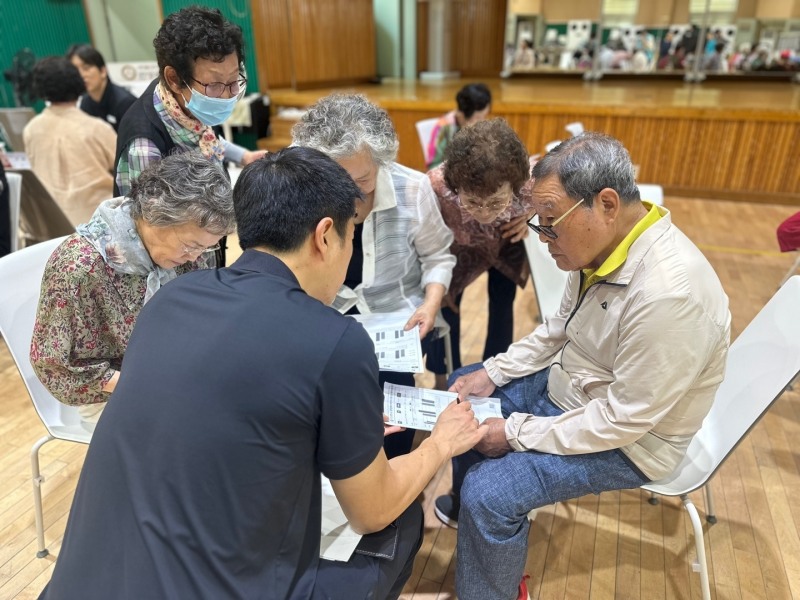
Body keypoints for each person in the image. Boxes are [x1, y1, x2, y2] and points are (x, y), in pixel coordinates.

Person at [37, 147, 485, 600]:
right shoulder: (337, 341)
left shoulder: (169, 300)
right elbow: (372, 511)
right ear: (325, 236)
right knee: (401, 518)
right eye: (353, 237)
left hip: (84, 583)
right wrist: (443, 442)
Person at [434, 132, 731, 600]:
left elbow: (623, 421)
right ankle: (478, 532)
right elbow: (559, 329)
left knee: (489, 493)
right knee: (463, 391)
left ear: (607, 204)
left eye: (550, 223)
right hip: (576, 390)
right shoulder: (602, 246)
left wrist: (514, 431)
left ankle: (490, 584)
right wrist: (491, 372)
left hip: (633, 441)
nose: (543, 238)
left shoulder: (670, 295)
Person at [292, 93, 456, 458]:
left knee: (394, 426)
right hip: (326, 321)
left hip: (398, 323)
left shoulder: (413, 189)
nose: (349, 194)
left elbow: (437, 256)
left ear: (382, 162)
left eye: (362, 179)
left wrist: (431, 305)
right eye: (334, 179)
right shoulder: (302, 192)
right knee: (330, 423)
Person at [30, 152, 235, 425]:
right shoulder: (80, 267)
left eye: (206, 247)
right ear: (154, 217)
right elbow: (56, 368)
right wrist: (151, 385)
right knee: (211, 431)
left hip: (176, 371)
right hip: (115, 391)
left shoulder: (184, 250)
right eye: (192, 246)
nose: (196, 257)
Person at [426, 119, 535, 389]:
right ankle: (443, 377)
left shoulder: (532, 181)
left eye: (497, 201)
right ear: (456, 187)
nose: (485, 213)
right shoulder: (436, 185)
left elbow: (550, 200)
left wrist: (529, 218)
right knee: (446, 303)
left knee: (502, 304)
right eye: (473, 201)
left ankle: (495, 376)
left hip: (506, 241)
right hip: (459, 246)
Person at [113, 6, 265, 197]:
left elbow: (205, 137)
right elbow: (147, 223)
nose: (227, 95)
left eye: (234, 80)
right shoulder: (145, 146)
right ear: (174, 79)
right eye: (214, 84)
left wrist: (244, 156)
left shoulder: (187, 103)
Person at [23, 56, 116, 227]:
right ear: (77, 82)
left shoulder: (31, 129)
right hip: (98, 223)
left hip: (52, 225)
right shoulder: (97, 129)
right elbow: (123, 172)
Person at [66, 44, 136, 132]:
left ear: (103, 71)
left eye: (86, 68)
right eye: (76, 70)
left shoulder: (125, 102)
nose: (81, 75)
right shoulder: (85, 102)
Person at [425, 83, 491, 170]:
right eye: (478, 117)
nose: (482, 120)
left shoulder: (481, 127)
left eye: (484, 116)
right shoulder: (444, 127)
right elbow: (433, 166)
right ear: (464, 114)